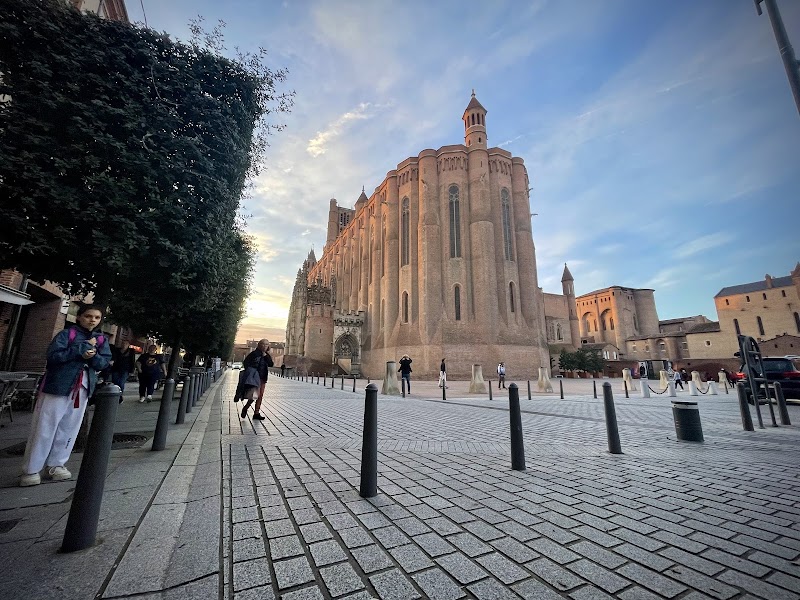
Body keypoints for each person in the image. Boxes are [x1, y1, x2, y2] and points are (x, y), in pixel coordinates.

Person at [20, 304, 112, 486]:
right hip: (58, 386)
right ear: (79, 317)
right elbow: (53, 357)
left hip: (83, 388)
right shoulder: (66, 334)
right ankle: (31, 469)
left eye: (96, 317)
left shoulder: (100, 339)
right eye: (88, 316)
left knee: (69, 427)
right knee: (45, 427)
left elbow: (103, 362)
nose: (92, 320)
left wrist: (92, 356)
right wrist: (81, 350)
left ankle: (57, 464)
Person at [240, 339, 271, 420]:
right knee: (255, 395)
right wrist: (251, 371)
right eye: (263, 344)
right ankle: (246, 408)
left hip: (263, 378)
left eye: (267, 344)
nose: (265, 346)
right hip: (254, 378)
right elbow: (246, 363)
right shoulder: (254, 354)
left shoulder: (267, 355)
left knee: (260, 396)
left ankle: (256, 413)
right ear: (260, 345)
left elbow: (271, 364)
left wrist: (266, 356)